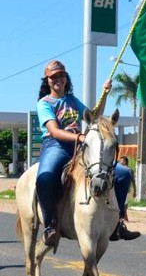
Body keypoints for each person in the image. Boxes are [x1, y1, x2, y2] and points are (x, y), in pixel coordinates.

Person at [34, 59, 111, 250]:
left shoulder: (72, 100)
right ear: (47, 81)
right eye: (53, 77)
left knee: (119, 172)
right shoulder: (44, 103)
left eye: (61, 75)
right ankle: (51, 225)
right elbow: (54, 131)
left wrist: (105, 93)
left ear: (66, 78)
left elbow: (93, 116)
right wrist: (81, 137)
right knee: (45, 179)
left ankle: (118, 222)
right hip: (56, 145)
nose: (57, 79)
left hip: (79, 146)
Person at [110, 156, 141, 241]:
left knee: (125, 173)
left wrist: (135, 191)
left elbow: (133, 181)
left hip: (126, 190)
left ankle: (119, 223)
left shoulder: (129, 170)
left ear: (126, 162)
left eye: (123, 161)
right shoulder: (126, 169)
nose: (121, 162)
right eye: (120, 161)